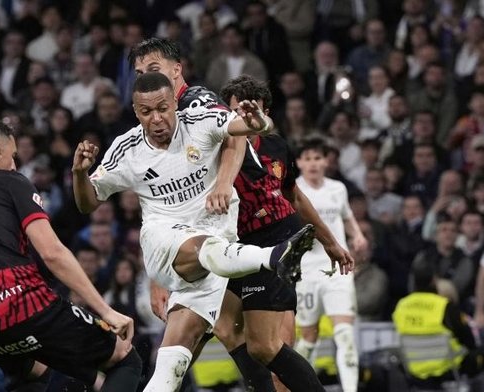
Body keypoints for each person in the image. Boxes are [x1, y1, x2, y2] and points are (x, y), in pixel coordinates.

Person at [73, 72, 326, 391]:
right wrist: (79, 175)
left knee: (173, 364)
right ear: (136, 113)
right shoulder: (127, 150)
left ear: (174, 104)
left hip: (215, 258)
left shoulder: (200, 121)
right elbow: (87, 203)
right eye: (146, 112)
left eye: (163, 108)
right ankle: (273, 257)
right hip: (164, 243)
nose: (156, 118)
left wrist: (256, 119)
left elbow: (245, 128)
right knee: (204, 247)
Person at [0, 116, 141, 392]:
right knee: (125, 357)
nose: (15, 164)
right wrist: (106, 311)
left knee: (43, 373)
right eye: (12, 155)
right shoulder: (9, 181)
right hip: (23, 308)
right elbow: (52, 253)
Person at [211, 76, 354, 392]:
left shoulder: (276, 147)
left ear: (265, 112)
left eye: (252, 110)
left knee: (267, 346)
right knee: (224, 326)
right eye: (235, 111)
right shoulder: (215, 151)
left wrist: (330, 242)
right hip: (238, 248)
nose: (244, 117)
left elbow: (296, 197)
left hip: (278, 243)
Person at [128, 37, 247, 325]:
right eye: (140, 74)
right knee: (229, 331)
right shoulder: (157, 124)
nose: (148, 78)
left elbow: (237, 133)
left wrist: (223, 184)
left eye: (154, 68)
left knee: (238, 334)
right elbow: (160, 202)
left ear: (177, 70)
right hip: (202, 232)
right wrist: (159, 274)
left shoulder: (196, 101)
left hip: (239, 220)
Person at [292, 137, 367, 392]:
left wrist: (357, 234)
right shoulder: (294, 190)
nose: (313, 163)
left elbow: (346, 215)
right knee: (309, 338)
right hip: (307, 271)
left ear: (326, 161)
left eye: (317, 158)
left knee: (345, 334)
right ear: (299, 162)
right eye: (308, 158)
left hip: (338, 269)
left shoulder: (338, 189)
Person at [392, 262, 484, 387]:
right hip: (448, 369)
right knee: (483, 355)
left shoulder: (401, 306)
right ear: (433, 280)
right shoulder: (444, 306)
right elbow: (468, 339)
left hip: (414, 371)